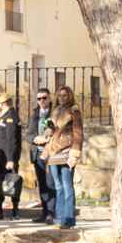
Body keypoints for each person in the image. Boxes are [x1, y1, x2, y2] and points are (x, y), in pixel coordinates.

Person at [43, 85, 83, 230]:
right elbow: (53, 132)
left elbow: (78, 133)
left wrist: (75, 153)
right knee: (58, 187)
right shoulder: (55, 111)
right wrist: (47, 132)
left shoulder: (74, 111)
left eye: (65, 95)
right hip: (54, 153)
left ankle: (68, 218)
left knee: (67, 186)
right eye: (60, 95)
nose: (62, 98)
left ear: (70, 96)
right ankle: (59, 219)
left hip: (67, 152)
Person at [28, 88, 57, 224]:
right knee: (42, 184)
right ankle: (44, 212)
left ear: (49, 98)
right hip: (37, 153)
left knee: (50, 182)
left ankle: (51, 213)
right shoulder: (35, 113)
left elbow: (59, 131)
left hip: (51, 153)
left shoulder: (55, 112)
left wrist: (47, 139)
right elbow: (28, 134)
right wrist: (36, 139)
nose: (41, 101)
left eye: (44, 98)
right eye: (39, 98)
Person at [0, 95, 22, 220]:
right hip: (1, 157)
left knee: (12, 182)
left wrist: (10, 159)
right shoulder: (5, 116)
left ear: (3, 104)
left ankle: (15, 211)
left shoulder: (10, 117)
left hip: (7, 158)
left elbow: (11, 140)